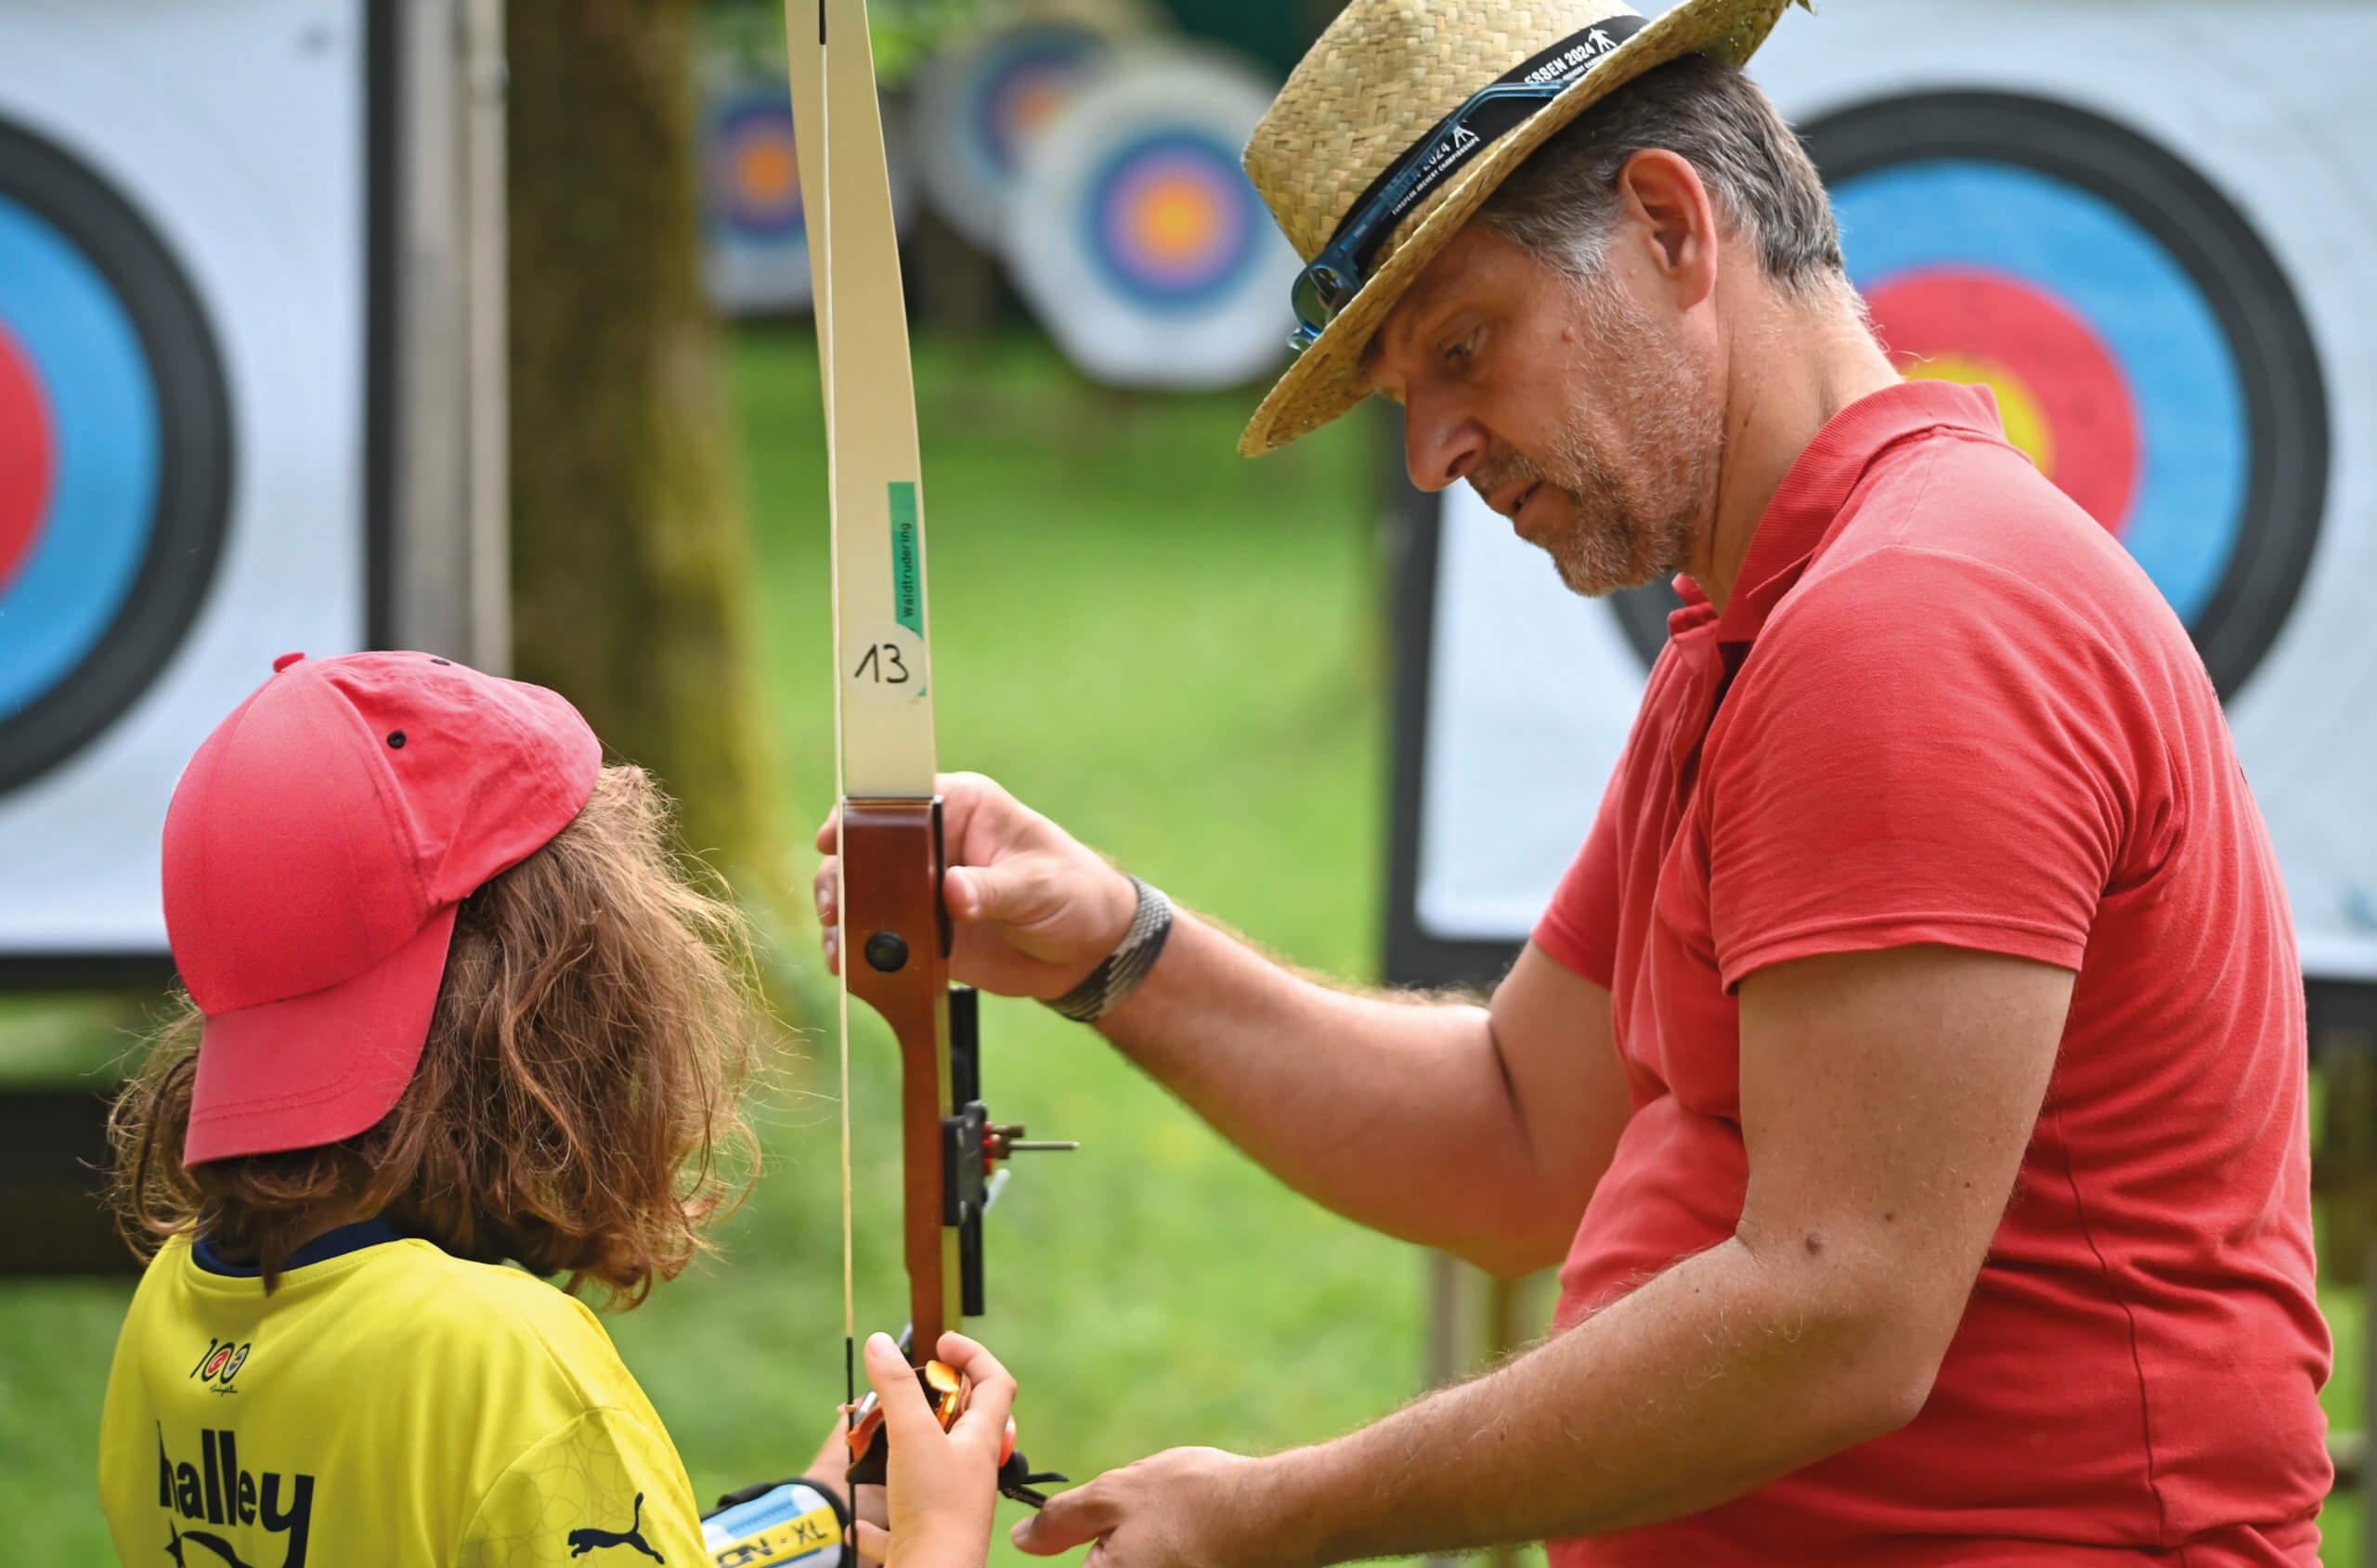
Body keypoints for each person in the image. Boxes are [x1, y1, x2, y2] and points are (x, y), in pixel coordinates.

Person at [815, 0, 2329, 1562]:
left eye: (1463, 346)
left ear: (1672, 224)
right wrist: (1114, 945)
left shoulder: (1909, 617)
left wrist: (1282, 1508)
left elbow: (1839, 1302)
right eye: (1409, 388)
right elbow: (1524, 1131)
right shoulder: (1769, 616)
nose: (1434, 452)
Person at [99, 650, 1015, 1568]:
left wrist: (809, 1512)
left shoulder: (170, 1313)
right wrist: (939, 1541)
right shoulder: (501, 1367)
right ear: (552, 1003)